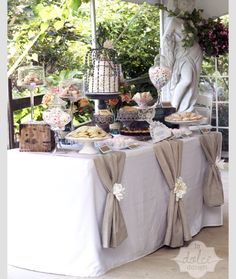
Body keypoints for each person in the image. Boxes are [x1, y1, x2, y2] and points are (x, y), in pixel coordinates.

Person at [161, 0, 203, 112]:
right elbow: (165, 39)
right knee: (187, 80)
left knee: (194, 83)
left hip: (196, 53)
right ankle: (173, 110)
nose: (187, 5)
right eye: (184, 2)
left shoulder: (190, 22)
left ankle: (186, 110)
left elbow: (195, 39)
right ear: (178, 4)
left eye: (190, 3)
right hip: (183, 55)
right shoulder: (173, 20)